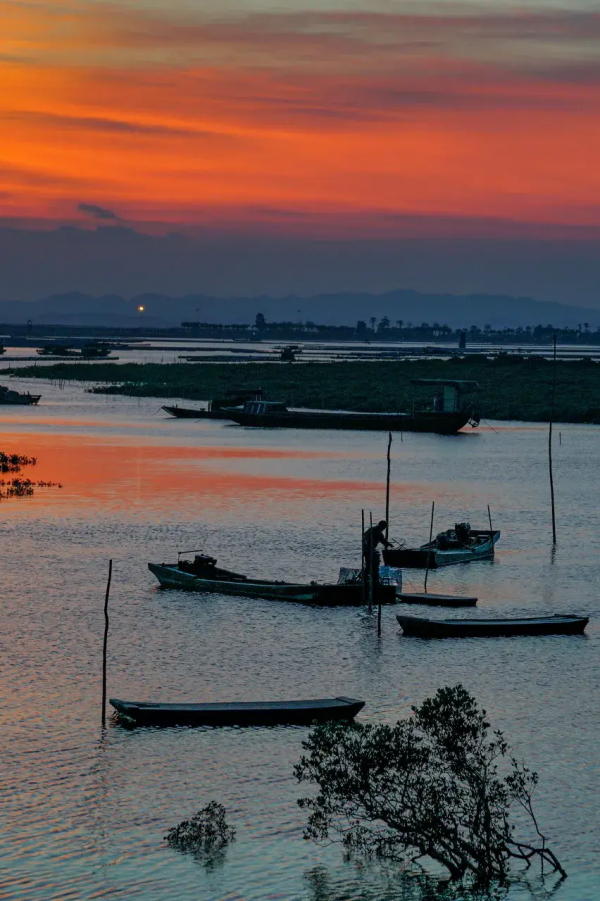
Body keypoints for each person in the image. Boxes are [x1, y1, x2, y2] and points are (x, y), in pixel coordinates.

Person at [363, 519, 391, 592]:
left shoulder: (371, 529)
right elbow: (383, 540)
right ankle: (373, 579)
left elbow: (364, 535)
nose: (383, 529)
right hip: (368, 550)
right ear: (381, 526)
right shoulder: (377, 532)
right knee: (373, 564)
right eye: (383, 528)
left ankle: (368, 578)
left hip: (368, 550)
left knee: (369, 565)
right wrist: (388, 544)